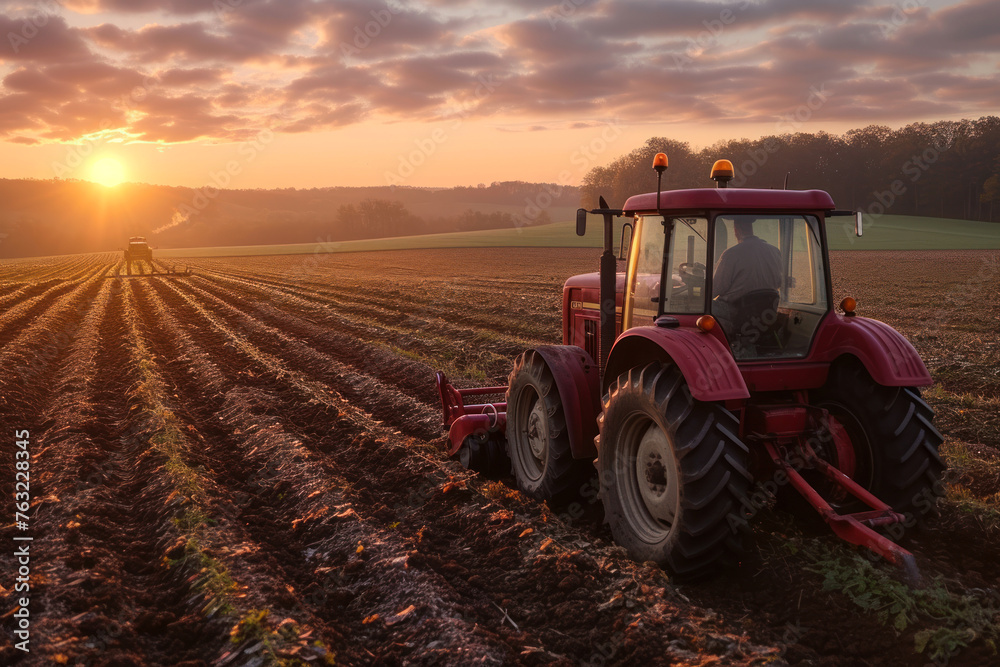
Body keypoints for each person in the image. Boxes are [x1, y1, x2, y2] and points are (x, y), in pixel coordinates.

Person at [712, 218, 782, 332]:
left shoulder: (731, 253)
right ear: (751, 228)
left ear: (736, 230)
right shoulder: (775, 251)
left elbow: (716, 288)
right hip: (765, 311)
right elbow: (779, 282)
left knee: (702, 307)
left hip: (738, 311)